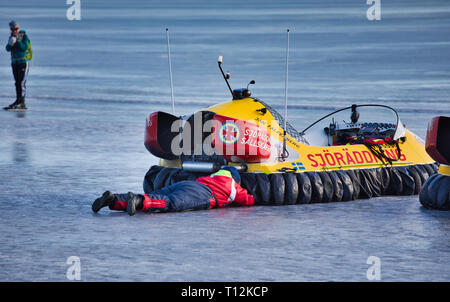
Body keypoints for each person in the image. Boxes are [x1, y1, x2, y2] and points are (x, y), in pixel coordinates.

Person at [92, 166, 255, 216]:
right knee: (171, 203)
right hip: (202, 195)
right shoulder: (232, 186)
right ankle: (139, 201)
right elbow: (247, 200)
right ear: (235, 178)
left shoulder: (212, 176)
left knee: (159, 194)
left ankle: (114, 200)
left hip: (188, 184)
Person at [4, 20, 31, 110]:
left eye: (16, 28)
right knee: (16, 83)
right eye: (12, 29)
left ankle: (22, 102)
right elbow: (7, 49)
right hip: (14, 63)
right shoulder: (11, 37)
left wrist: (18, 41)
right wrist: (10, 43)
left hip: (23, 63)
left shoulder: (24, 36)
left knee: (21, 82)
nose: (14, 30)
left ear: (18, 28)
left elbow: (24, 47)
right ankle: (17, 100)